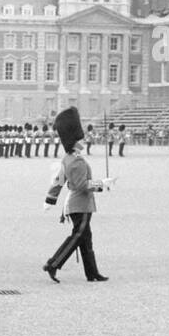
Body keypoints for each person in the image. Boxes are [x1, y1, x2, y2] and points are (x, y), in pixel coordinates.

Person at [43, 106, 109, 284]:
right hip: (81, 204)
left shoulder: (68, 158)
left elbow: (58, 180)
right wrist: (102, 184)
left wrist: (50, 199)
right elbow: (82, 185)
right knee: (78, 236)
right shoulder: (77, 161)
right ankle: (53, 263)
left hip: (73, 204)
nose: (83, 142)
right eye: (79, 140)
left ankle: (92, 273)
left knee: (86, 239)